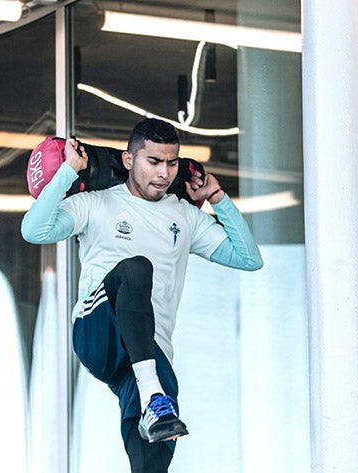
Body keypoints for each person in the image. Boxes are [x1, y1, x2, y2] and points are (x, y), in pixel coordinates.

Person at [20, 118, 262, 473]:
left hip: (149, 350)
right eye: (154, 161)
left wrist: (218, 199)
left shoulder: (185, 218)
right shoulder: (96, 204)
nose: (164, 173)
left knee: (155, 457)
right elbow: (34, 230)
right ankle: (151, 393)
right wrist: (69, 172)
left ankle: (152, 400)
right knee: (136, 269)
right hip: (97, 330)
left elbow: (249, 258)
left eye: (171, 162)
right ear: (130, 160)